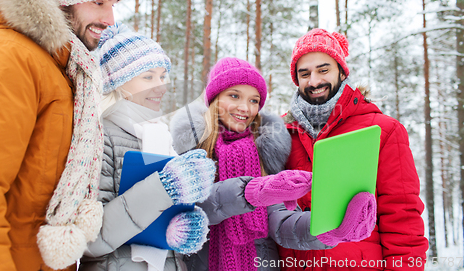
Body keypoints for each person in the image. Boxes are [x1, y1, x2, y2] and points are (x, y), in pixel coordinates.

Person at [0, 0, 125, 270]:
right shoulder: (6, 57)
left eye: (114, 3)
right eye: (97, 2)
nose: (110, 18)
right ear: (60, 0)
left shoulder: (62, 70)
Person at [170, 57, 376, 271]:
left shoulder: (263, 153)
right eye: (234, 96)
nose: (245, 108)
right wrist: (250, 192)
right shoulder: (188, 151)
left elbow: (282, 223)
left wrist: (329, 230)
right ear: (215, 98)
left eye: (254, 100)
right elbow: (192, 208)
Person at [274, 28, 428, 271]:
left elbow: (403, 220)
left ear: (341, 71)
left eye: (323, 70)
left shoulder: (384, 130)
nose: (314, 81)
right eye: (305, 74)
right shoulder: (280, 133)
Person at [79, 22, 216, 271]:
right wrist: (165, 188)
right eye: (148, 77)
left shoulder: (159, 135)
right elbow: (91, 239)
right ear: (119, 82)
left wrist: (179, 231)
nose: (161, 87)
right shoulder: (98, 135)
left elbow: (157, 212)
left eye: (163, 76)